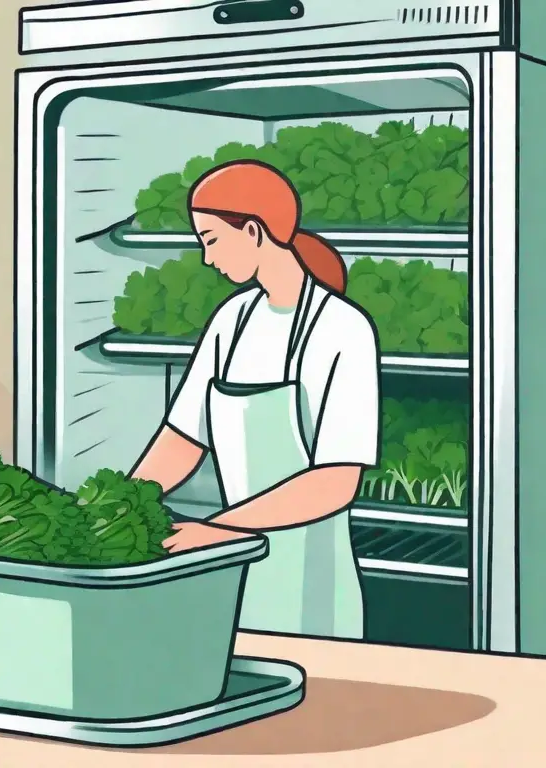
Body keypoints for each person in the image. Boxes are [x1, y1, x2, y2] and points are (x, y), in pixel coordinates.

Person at [129, 160, 381, 639]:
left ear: (253, 230)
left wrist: (220, 530)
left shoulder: (342, 329)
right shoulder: (233, 319)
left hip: (311, 581)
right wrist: (118, 503)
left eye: (211, 240)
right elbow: (181, 440)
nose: (207, 258)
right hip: (235, 567)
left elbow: (335, 481)